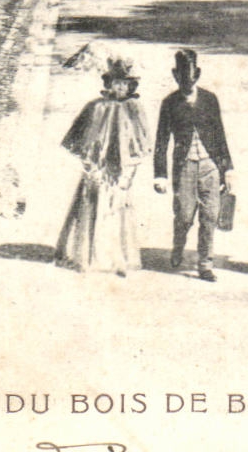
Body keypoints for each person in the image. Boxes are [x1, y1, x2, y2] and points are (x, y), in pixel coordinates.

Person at [57, 57, 148, 276]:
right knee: (92, 209)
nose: (120, 87)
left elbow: (141, 142)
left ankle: (118, 260)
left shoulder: (134, 109)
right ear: (108, 84)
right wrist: (89, 163)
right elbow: (79, 138)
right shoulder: (95, 107)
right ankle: (89, 258)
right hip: (97, 169)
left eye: (124, 83)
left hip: (120, 171)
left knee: (118, 213)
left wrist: (130, 169)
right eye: (116, 82)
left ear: (130, 86)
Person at [153, 49, 235, 282]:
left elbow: (220, 135)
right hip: (184, 167)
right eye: (181, 77)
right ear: (175, 75)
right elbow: (161, 140)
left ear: (197, 75)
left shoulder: (210, 100)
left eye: (191, 77)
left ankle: (205, 264)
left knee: (210, 216)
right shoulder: (169, 103)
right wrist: (160, 175)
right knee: (185, 216)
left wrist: (227, 168)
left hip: (211, 166)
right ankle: (178, 246)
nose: (187, 82)